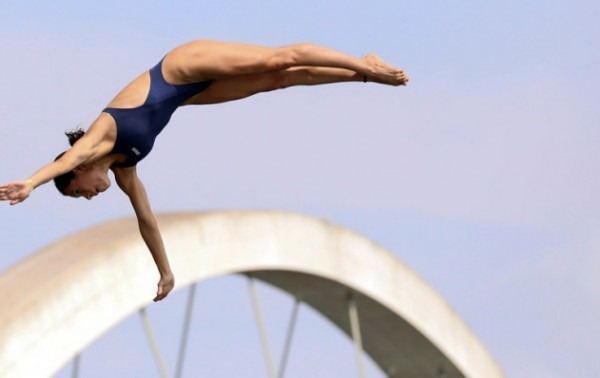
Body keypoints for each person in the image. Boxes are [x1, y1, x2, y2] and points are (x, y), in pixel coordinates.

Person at [0, 40, 409, 302]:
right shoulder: (126, 169)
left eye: (78, 192)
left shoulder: (99, 138)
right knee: (275, 81)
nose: (88, 196)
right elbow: (147, 221)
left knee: (277, 59)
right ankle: (362, 74)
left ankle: (365, 64)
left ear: (80, 170)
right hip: (188, 94)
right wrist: (165, 270)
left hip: (182, 66)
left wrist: (32, 182)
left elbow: (66, 160)